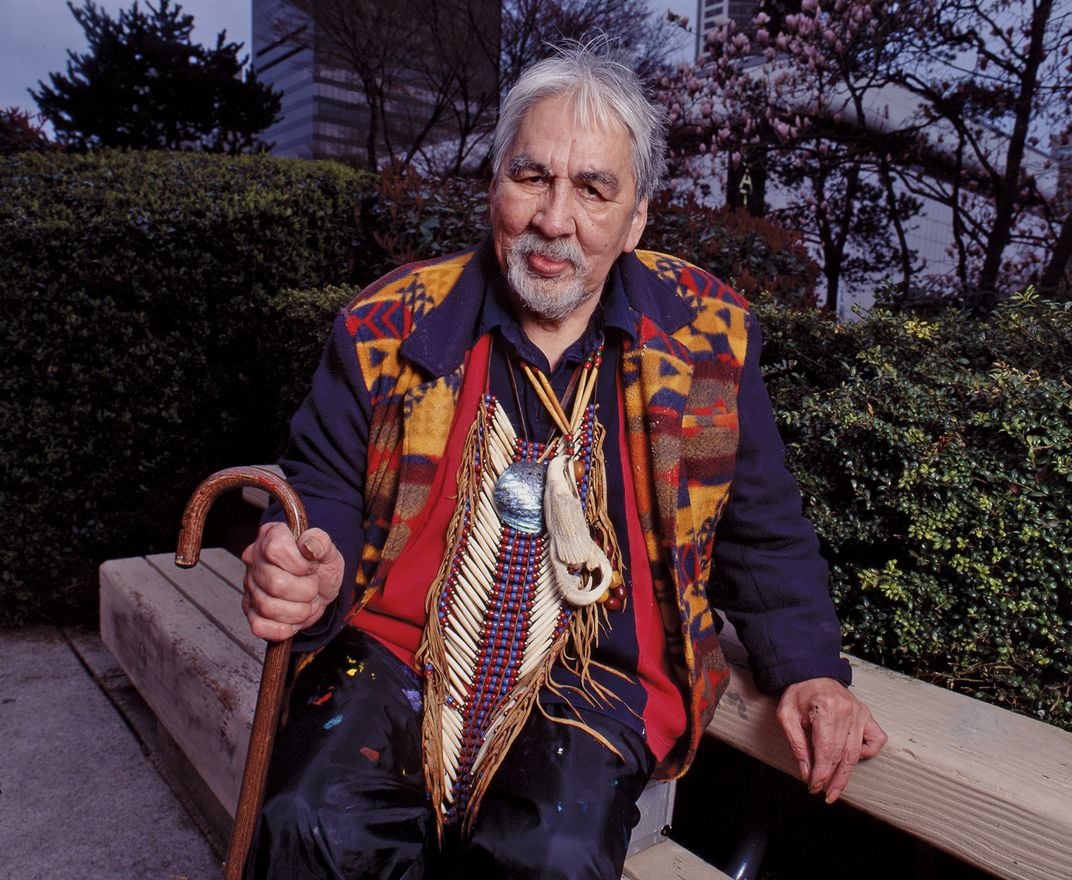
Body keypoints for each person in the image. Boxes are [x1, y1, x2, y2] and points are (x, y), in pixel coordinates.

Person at [239, 41, 887, 880]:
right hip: (399, 650)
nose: (555, 218)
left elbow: (762, 530)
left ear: (636, 218)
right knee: (305, 820)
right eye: (531, 176)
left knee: (554, 852)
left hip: (604, 668)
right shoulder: (385, 325)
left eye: (593, 188)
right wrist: (311, 570)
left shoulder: (706, 341)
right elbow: (321, 486)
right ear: (493, 185)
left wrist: (810, 671)